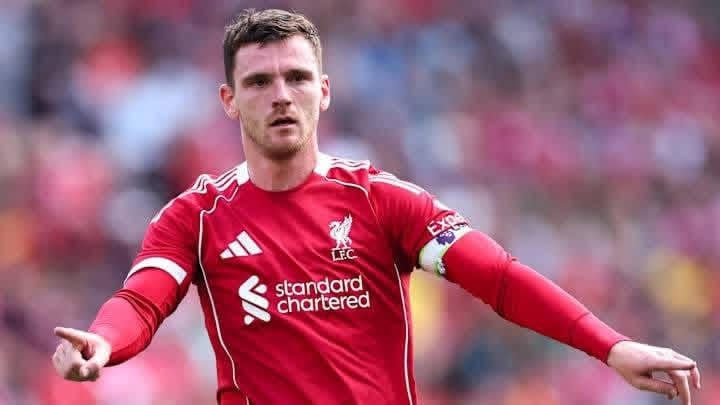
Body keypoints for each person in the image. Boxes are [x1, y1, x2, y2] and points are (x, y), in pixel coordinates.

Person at [52, 8, 701, 405]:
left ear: (324, 92)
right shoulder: (195, 217)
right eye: (259, 81)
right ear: (229, 100)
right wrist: (103, 343)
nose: (281, 95)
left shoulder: (381, 201)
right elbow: (142, 302)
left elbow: (498, 277)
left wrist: (611, 346)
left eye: (297, 78)